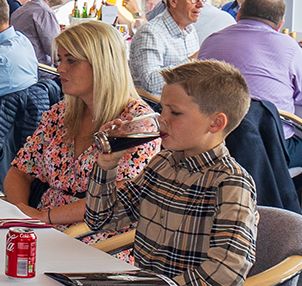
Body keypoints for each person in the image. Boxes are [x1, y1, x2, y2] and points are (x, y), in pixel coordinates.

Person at [86, 60, 257, 286]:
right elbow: (102, 220)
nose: (161, 120)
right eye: (162, 108)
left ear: (215, 123)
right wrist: (107, 165)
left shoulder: (231, 183)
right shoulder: (162, 163)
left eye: (174, 112)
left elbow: (226, 270)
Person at [7, 22, 162, 256]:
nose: (60, 69)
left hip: (101, 235)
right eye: (60, 60)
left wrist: (42, 217)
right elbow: (20, 170)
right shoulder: (60, 114)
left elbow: (120, 193)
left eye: (71, 61)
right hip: (44, 227)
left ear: (102, 64)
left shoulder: (137, 123)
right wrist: (22, 212)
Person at [194, 0, 302, 120]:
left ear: (238, 14)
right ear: (280, 25)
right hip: (269, 136)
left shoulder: (211, 41)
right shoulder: (289, 46)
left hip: (219, 134)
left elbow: (198, 91)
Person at [129, 0, 208, 95]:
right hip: (157, 107)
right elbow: (150, 82)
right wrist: (191, 62)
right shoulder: (151, 33)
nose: (201, 5)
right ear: (173, 0)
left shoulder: (190, 30)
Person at [12, 0, 66, 66]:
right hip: (42, 73)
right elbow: (57, 52)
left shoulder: (21, 10)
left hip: (22, 68)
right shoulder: (44, 12)